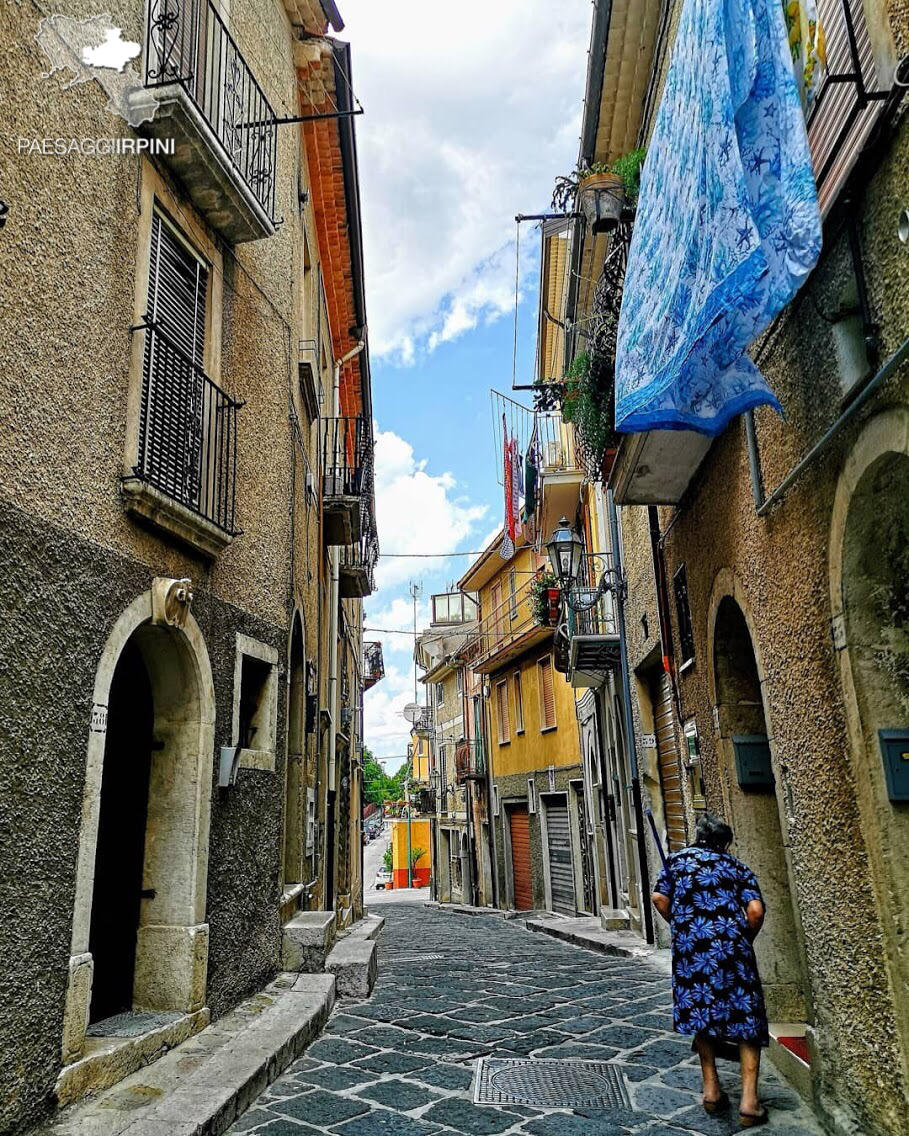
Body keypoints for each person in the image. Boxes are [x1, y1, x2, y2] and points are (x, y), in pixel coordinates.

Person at [652, 813, 769, 1128]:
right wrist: (743, 938)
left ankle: (712, 1090)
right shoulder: (737, 868)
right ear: (725, 843)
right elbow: (755, 911)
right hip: (734, 950)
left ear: (698, 837)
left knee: (701, 1015)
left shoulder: (676, 863)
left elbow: (660, 898)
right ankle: (749, 1102)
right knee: (747, 1020)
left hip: (693, 953)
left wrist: (683, 927)